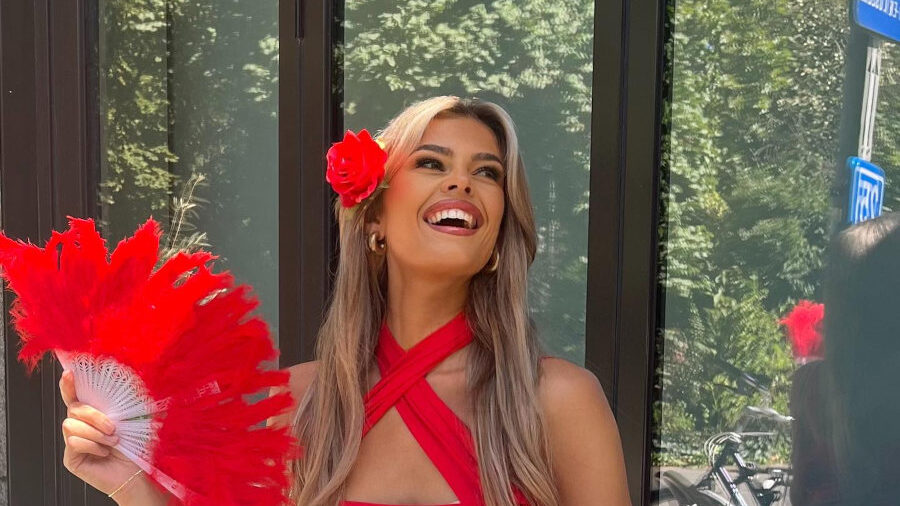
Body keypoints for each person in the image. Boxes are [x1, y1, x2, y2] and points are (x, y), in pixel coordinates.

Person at [57, 96, 631, 505]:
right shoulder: (290, 404)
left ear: (499, 233)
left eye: (487, 173)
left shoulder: (557, 401)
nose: (462, 183)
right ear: (375, 218)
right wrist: (129, 483)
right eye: (432, 163)